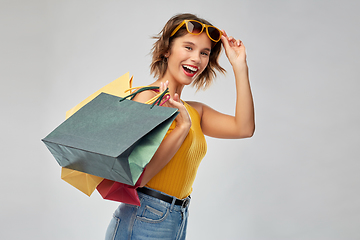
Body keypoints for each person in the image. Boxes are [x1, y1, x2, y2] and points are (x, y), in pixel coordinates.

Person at [105, 13, 255, 240]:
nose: (196, 58)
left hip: (177, 216)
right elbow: (136, 179)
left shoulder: (195, 111)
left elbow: (244, 128)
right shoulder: (147, 99)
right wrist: (182, 128)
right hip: (145, 215)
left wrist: (239, 65)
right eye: (188, 47)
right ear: (167, 50)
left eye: (204, 53)